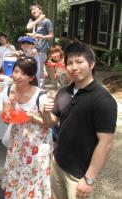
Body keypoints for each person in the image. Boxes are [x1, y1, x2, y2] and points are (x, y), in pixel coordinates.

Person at [42, 42, 117, 199]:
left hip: (78, 175)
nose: (74, 67)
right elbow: (50, 123)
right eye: (69, 63)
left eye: (79, 61)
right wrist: (45, 112)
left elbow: (106, 143)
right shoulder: (63, 92)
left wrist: (89, 179)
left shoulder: (103, 99)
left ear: (91, 64)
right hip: (57, 164)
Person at [1, 57, 53, 199]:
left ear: (31, 77)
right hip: (17, 144)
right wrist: (12, 104)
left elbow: (48, 124)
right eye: (16, 71)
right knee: (16, 179)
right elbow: (6, 119)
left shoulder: (41, 96)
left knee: (33, 184)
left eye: (23, 73)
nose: (17, 76)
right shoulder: (9, 90)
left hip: (36, 148)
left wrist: (32, 117)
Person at [27, 4, 54, 88]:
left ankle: (39, 90)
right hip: (32, 50)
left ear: (40, 10)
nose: (33, 11)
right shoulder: (32, 20)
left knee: (39, 72)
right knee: (31, 70)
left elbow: (51, 36)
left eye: (35, 9)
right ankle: (32, 88)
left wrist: (41, 36)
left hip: (41, 50)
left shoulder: (46, 21)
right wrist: (39, 19)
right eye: (32, 10)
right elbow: (28, 27)